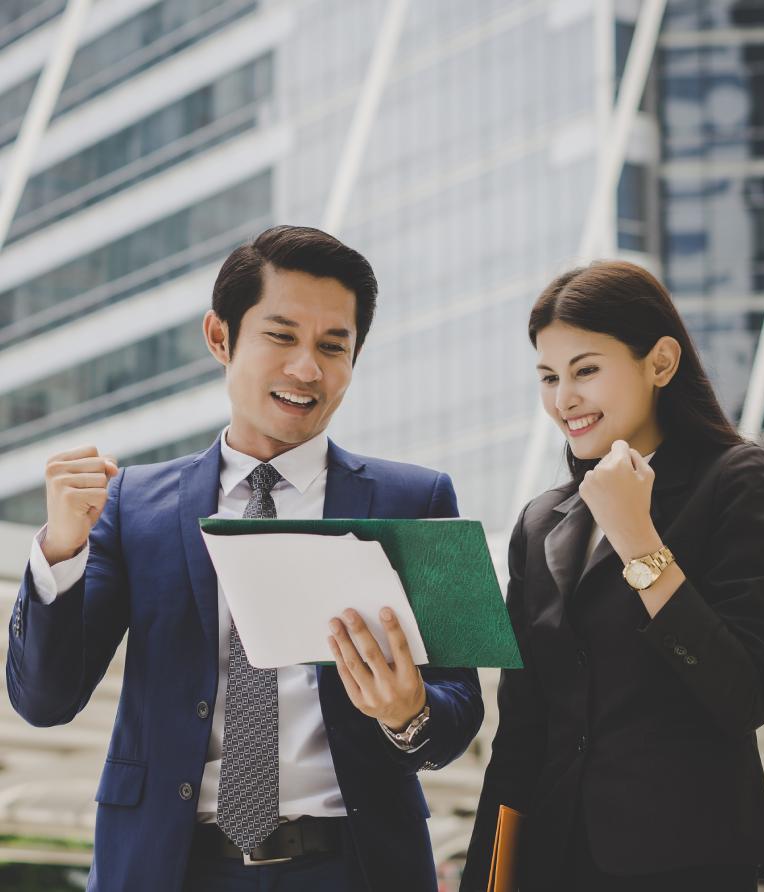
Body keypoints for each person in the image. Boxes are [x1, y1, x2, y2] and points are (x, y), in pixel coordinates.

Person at [6, 225, 484, 892]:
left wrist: (409, 711)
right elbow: (44, 702)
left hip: (355, 867)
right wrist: (59, 549)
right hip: (166, 868)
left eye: (331, 346)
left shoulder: (423, 497)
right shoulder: (130, 504)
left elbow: (462, 708)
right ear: (220, 337)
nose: (306, 369)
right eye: (281, 336)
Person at [461, 260, 764, 892]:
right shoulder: (539, 524)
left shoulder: (738, 482)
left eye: (586, 370)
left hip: (688, 861)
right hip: (555, 862)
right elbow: (523, 731)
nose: (564, 399)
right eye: (549, 377)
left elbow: (745, 692)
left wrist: (638, 540)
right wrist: (488, 879)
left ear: (661, 363)